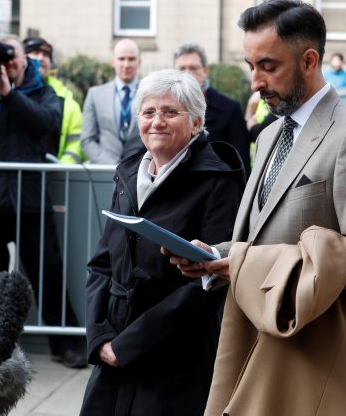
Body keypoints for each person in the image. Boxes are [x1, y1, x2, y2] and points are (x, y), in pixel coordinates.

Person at [170, 0, 346, 415]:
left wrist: (252, 268)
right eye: (249, 65)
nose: (255, 81)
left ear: (309, 60)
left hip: (313, 345)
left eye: (268, 66)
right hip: (253, 333)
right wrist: (217, 256)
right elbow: (260, 235)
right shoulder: (270, 135)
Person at [80, 69, 245, 416]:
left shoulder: (218, 180)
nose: (157, 121)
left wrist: (129, 346)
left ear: (196, 123)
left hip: (173, 354)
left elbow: (209, 282)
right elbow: (101, 263)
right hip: (112, 349)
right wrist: (99, 337)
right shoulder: (127, 173)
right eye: (148, 112)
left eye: (170, 112)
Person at [0, 35, 87, 368]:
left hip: (28, 198)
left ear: (25, 59)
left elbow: (45, 125)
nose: (7, 64)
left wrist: (9, 92)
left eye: (12, 57)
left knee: (47, 271)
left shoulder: (46, 93)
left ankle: (65, 343)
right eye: (3, 59)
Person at [173, 40, 251, 176]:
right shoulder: (163, 109)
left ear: (205, 71)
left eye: (193, 68)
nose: (187, 74)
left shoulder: (230, 109)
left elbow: (241, 163)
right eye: (182, 69)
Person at [81, 38, 145, 164]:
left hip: (140, 171)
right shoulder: (95, 95)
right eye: (121, 59)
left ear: (139, 62)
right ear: (113, 61)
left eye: (131, 59)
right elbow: (87, 140)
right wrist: (112, 166)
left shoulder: (150, 93)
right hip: (105, 171)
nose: (126, 64)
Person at [23, 36, 86, 163]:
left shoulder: (66, 98)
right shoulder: (8, 91)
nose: (41, 58)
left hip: (53, 177)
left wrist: (61, 168)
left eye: (46, 55)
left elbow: (77, 141)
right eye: (35, 53)